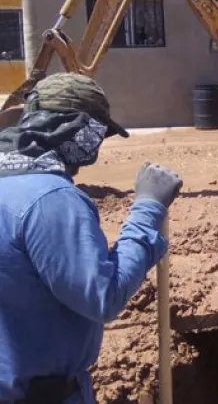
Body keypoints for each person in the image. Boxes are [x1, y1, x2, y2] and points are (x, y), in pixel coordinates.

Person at [0, 73, 183, 404]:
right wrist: (148, 209)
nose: (97, 144)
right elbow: (102, 297)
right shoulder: (51, 199)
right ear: (73, 127)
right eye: (98, 132)